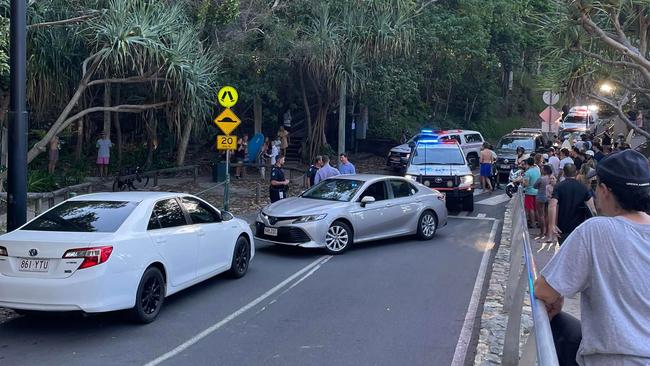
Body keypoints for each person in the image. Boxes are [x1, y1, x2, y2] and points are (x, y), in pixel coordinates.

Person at [534, 150, 650, 366]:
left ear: (605, 191)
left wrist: (558, 295)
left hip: (614, 360)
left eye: (597, 186)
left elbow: (543, 290)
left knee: (558, 329)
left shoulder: (596, 230)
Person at [548, 163, 596, 245]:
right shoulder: (583, 187)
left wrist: (552, 224)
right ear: (576, 172)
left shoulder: (558, 186)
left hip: (563, 226)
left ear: (563, 173)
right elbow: (592, 209)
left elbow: (552, 205)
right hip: (580, 227)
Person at [534, 164, 553, 241]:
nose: (541, 170)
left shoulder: (541, 179)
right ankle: (548, 232)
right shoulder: (551, 178)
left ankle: (542, 232)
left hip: (540, 197)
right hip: (549, 197)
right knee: (547, 215)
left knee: (541, 215)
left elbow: (535, 186)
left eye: (542, 169)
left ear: (545, 170)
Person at [521, 157, 541, 228]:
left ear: (527, 164)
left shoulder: (528, 172)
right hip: (537, 191)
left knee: (531, 208)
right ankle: (538, 223)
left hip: (529, 192)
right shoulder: (537, 171)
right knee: (537, 208)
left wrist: (522, 181)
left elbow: (526, 184)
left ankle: (532, 223)